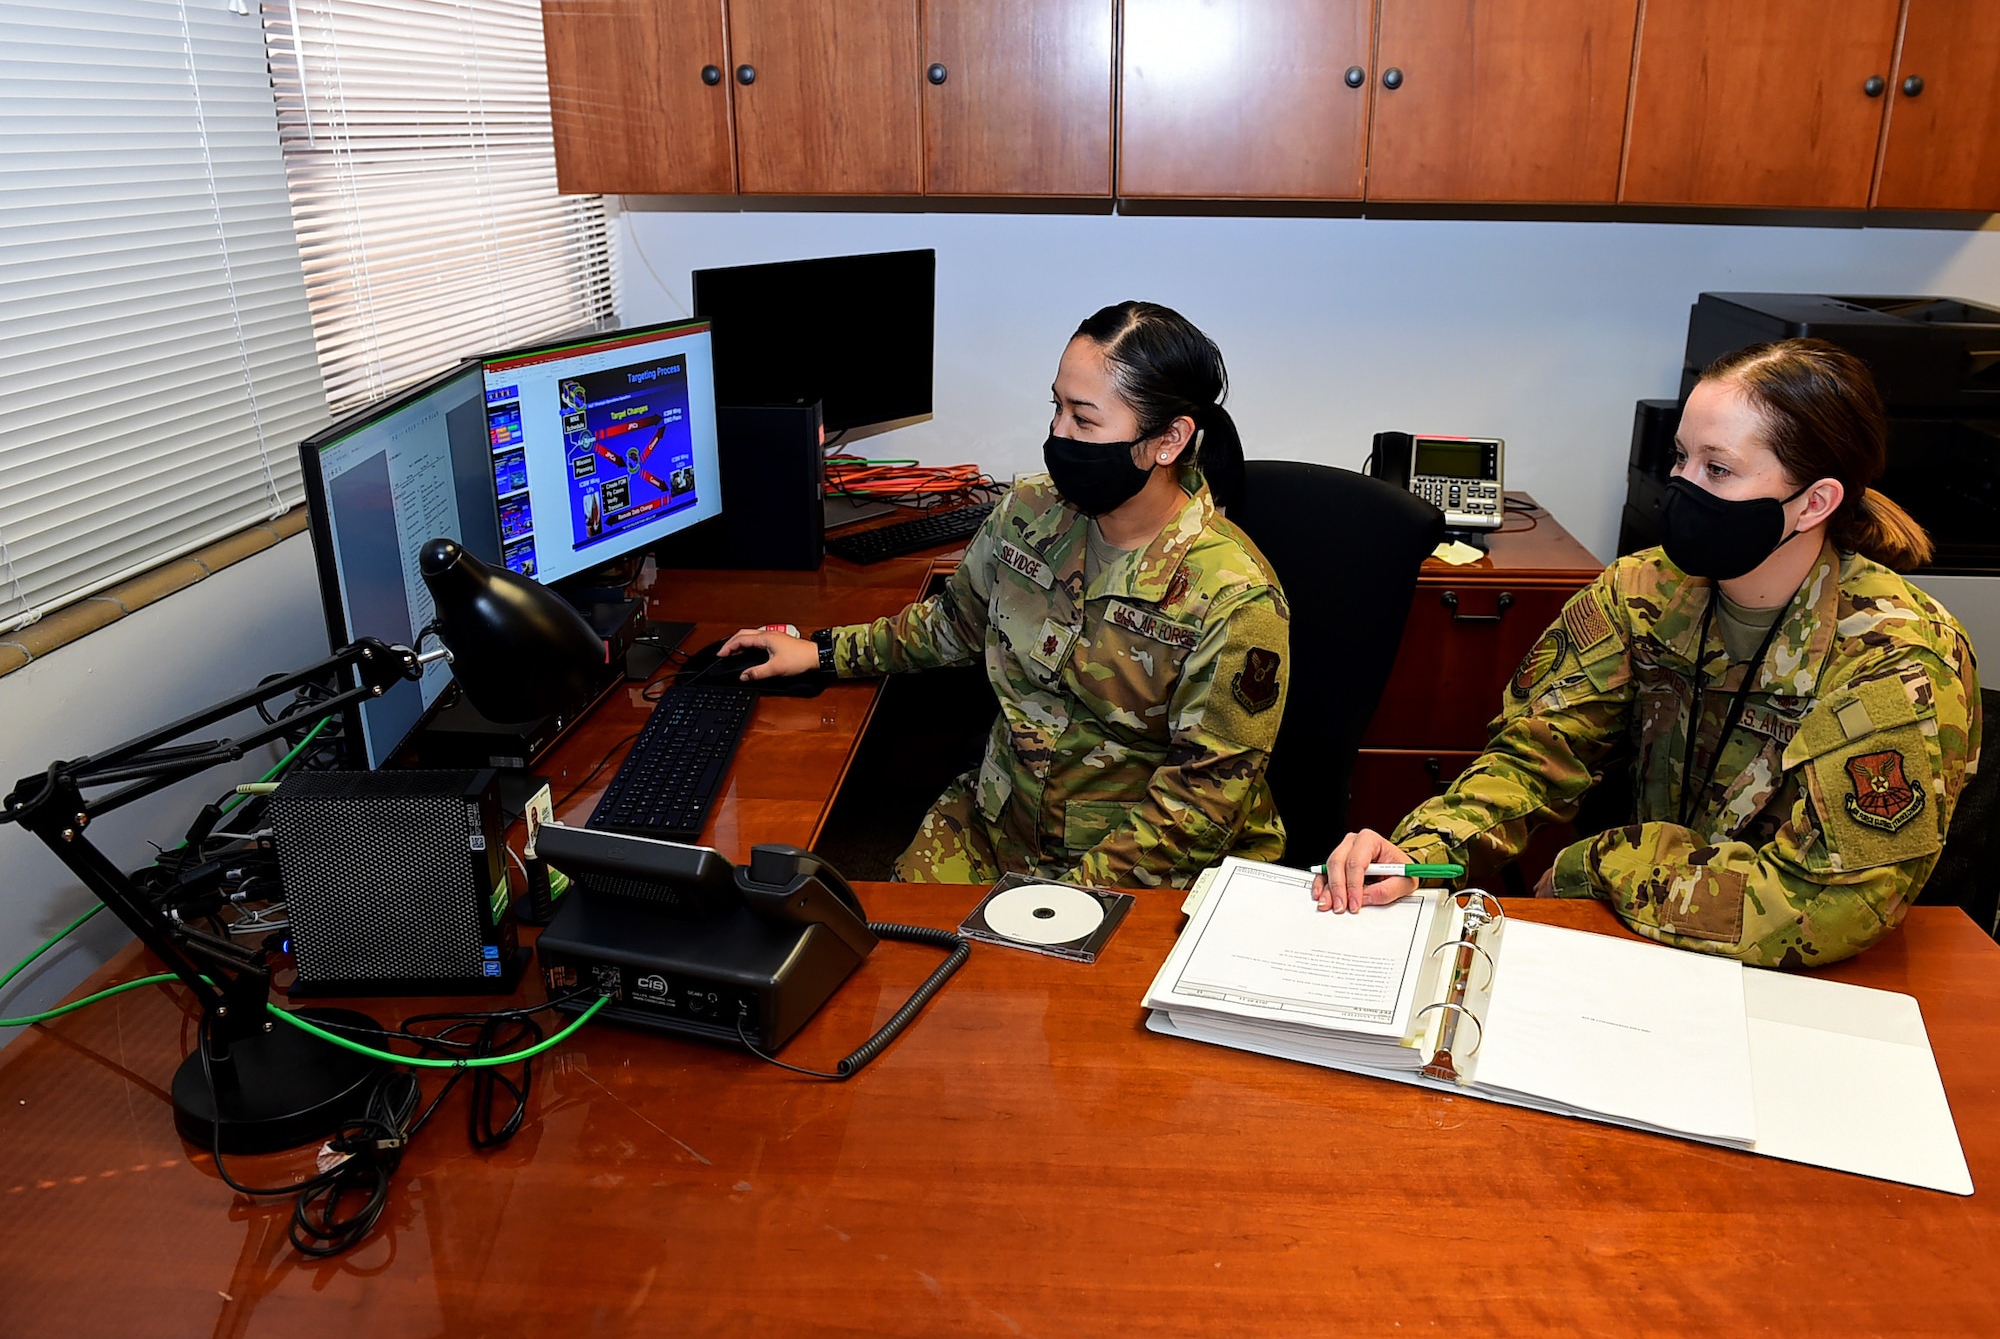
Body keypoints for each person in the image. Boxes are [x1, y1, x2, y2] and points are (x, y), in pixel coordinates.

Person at [1315, 338, 1981, 968]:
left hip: (1793, 981)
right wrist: (1418, 852)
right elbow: (1534, 758)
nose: (1682, 487)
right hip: (1643, 950)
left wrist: (1605, 863)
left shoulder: (1899, 660)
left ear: (1814, 503)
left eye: (1716, 469)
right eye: (1680, 458)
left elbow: (1828, 905)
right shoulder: (1642, 591)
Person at [720, 301, 1291, 889]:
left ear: (1168, 440)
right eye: (1057, 407)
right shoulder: (1030, 512)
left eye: (1084, 420)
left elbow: (1200, 805)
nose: (1058, 434)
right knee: (886, 951)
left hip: (1144, 866)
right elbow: (951, 626)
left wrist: (1062, 901)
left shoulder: (1235, 597)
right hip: (1001, 825)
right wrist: (821, 652)